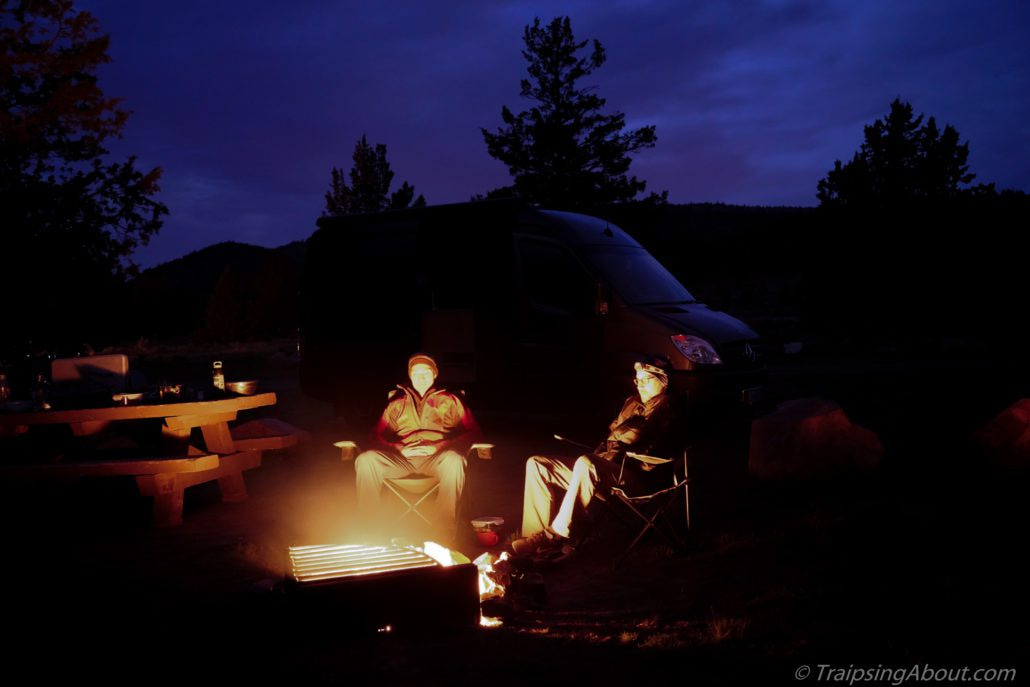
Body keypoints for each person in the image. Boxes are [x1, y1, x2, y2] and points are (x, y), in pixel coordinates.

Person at [512, 355, 675, 556]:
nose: (639, 385)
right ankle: (535, 540)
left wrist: (619, 433)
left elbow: (634, 435)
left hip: (637, 477)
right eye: (637, 380)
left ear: (663, 381)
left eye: (645, 380)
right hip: (608, 468)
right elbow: (617, 434)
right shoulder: (632, 403)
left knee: (586, 463)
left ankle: (554, 535)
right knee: (537, 464)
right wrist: (617, 435)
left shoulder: (667, 405)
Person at [354, 353, 480, 528]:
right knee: (366, 460)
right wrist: (398, 448)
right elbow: (375, 436)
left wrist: (439, 447)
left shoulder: (451, 401)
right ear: (409, 376)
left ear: (435, 374)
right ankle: (368, 527)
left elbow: (473, 433)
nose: (421, 378)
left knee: (454, 460)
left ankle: (444, 528)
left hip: (437, 460)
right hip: (403, 460)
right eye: (415, 373)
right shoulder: (397, 403)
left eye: (426, 373)